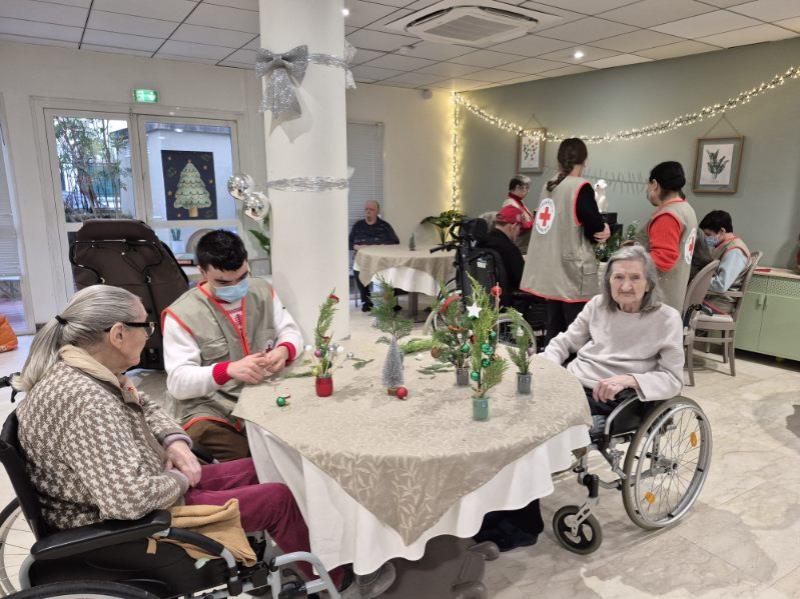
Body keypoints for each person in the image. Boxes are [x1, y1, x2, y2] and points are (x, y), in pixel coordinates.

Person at [11, 285, 396, 598]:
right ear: (118, 334)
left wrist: (175, 443)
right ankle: (338, 582)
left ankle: (301, 552)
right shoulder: (87, 401)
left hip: (139, 484)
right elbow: (128, 503)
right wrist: (182, 478)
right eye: (145, 326)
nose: (149, 334)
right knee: (277, 498)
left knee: (262, 466)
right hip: (126, 523)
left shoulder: (85, 369)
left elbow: (146, 406)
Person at [162, 230, 303, 462]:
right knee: (252, 458)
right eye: (223, 282)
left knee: (294, 443)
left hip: (260, 394)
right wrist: (227, 370)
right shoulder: (182, 314)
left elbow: (290, 331)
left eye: (242, 277)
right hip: (209, 406)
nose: (236, 286)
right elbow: (178, 382)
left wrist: (284, 349)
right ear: (202, 272)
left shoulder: (262, 290)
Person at [543, 245, 684, 431]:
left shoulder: (667, 319)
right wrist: (546, 366)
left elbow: (673, 380)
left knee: (552, 422)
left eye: (635, 278)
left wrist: (629, 380)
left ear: (649, 284)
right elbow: (565, 342)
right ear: (608, 281)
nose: (625, 286)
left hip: (614, 398)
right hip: (572, 384)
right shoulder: (597, 305)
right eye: (618, 277)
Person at [520, 138, 610, 343]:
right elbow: (595, 228)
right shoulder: (580, 187)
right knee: (577, 333)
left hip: (551, 271)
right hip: (572, 273)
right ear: (584, 161)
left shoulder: (549, 186)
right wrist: (604, 229)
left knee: (554, 329)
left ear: (559, 160)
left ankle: (552, 363)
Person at [639, 161, 698, 312]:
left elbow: (663, 259)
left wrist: (629, 263)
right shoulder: (686, 209)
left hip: (659, 299)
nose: (647, 190)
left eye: (648, 185)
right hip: (674, 296)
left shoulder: (668, 216)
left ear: (654, 184)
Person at [349, 201, 400, 311]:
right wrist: (356, 246)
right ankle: (367, 301)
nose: (368, 211)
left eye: (371, 209)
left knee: (393, 270)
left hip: (381, 259)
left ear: (377, 211)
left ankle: (392, 301)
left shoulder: (384, 226)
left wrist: (379, 246)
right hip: (362, 259)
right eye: (366, 209)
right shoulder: (358, 225)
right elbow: (349, 243)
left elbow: (395, 241)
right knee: (358, 270)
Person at [699, 210, 751, 314]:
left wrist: (695, 281)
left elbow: (721, 285)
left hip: (717, 304)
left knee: (677, 309)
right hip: (710, 298)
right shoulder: (724, 245)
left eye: (708, 234)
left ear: (722, 231)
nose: (706, 239)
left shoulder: (735, 251)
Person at [478, 204, 525, 306]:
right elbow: (521, 279)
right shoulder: (510, 249)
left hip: (481, 300)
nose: (519, 233)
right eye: (519, 228)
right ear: (513, 226)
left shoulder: (480, 244)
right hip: (506, 304)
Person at [501, 175, 534, 254]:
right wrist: (535, 222)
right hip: (519, 247)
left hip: (524, 246)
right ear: (517, 187)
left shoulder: (519, 202)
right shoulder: (510, 204)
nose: (527, 191)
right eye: (526, 188)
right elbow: (521, 226)